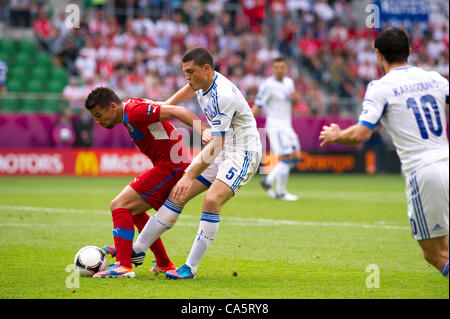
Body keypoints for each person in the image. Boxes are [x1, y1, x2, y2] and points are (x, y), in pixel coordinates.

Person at [319, 28, 449, 279]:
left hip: (425, 172)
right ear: (409, 51)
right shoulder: (436, 79)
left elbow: (360, 135)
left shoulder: (381, 87)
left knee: (435, 254)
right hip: (446, 161)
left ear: (378, 55)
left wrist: (336, 135)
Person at [129, 46, 262, 280]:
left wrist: (189, 175)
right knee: (177, 194)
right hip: (221, 147)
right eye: (184, 72)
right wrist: (165, 105)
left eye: (190, 71)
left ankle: (189, 268)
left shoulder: (223, 95)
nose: (187, 77)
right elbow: (187, 91)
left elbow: (217, 144)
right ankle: (137, 250)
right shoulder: (200, 83)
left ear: (207, 68)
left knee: (211, 201)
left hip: (242, 152)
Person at [83, 87, 210, 278]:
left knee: (119, 205)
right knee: (134, 210)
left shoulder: (134, 112)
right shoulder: (130, 109)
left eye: (99, 115)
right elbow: (162, 107)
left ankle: (124, 266)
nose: (98, 121)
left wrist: (204, 131)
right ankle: (164, 263)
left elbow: (179, 111)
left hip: (171, 167)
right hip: (169, 165)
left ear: (112, 106)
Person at [253, 57, 301, 201]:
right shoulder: (267, 85)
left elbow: (294, 103)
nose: (280, 70)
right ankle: (280, 191)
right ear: (272, 69)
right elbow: (258, 105)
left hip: (287, 125)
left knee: (297, 156)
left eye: (282, 67)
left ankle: (269, 181)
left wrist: (295, 99)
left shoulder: (289, 83)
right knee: (287, 157)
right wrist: (246, 122)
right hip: (275, 125)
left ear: (286, 69)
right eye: (277, 67)